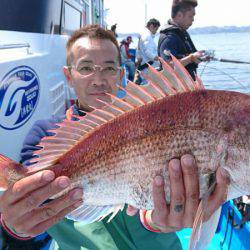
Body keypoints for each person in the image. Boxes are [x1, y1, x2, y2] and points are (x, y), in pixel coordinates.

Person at [0, 25, 229, 250]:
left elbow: (146, 209)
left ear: (121, 75)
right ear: (68, 76)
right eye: (86, 67)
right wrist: (15, 227)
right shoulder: (46, 135)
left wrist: (157, 221)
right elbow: (37, 214)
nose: (98, 79)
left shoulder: (148, 119)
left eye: (108, 69)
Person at [158, 0, 209, 80]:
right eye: (191, 16)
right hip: (176, 89)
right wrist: (191, 58)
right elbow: (168, 66)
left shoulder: (182, 33)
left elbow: (191, 56)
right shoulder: (169, 38)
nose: (193, 19)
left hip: (188, 86)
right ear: (179, 15)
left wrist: (200, 57)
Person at [137, 18, 161, 84]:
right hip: (148, 68)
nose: (156, 32)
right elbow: (147, 51)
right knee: (147, 85)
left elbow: (139, 52)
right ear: (151, 26)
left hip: (146, 67)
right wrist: (158, 58)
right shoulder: (147, 36)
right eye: (156, 29)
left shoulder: (144, 35)